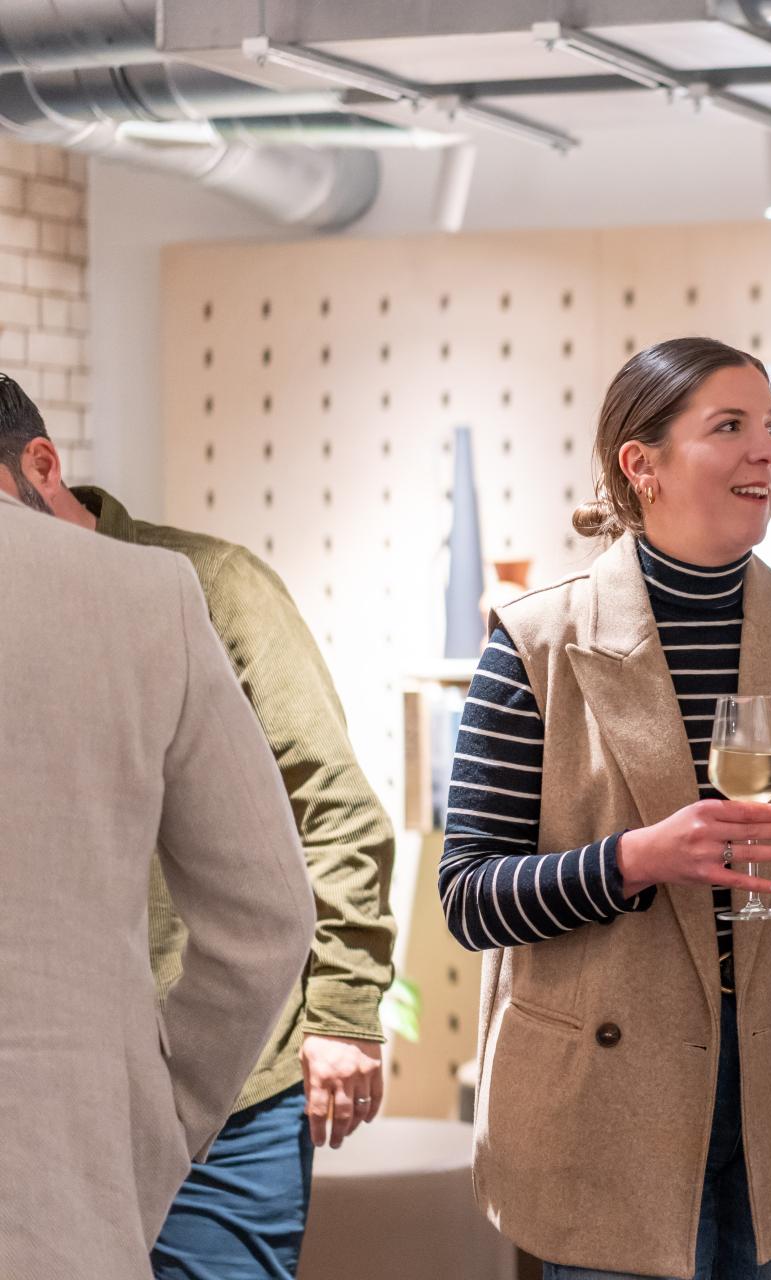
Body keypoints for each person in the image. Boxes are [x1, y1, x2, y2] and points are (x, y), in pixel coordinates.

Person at [443, 336, 771, 1280]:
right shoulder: (536, 646)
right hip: (612, 1104)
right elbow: (470, 895)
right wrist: (635, 860)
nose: (766, 452)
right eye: (728, 427)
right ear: (640, 465)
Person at [0, 379, 398, 1278]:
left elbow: (331, 803)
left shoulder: (205, 584)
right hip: (91, 1088)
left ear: (45, 466)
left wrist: (344, 1012)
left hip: (223, 1079)